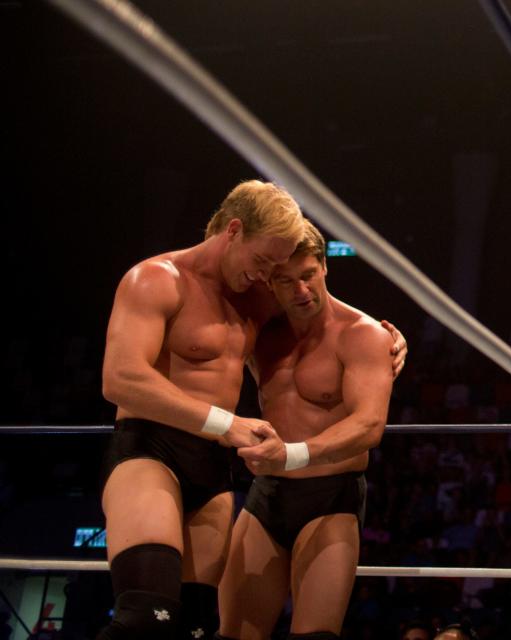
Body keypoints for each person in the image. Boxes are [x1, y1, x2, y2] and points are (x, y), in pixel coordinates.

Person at [99, 181, 407, 640]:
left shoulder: (258, 300)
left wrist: (393, 343)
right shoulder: (157, 279)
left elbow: (335, 329)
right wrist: (229, 424)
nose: (270, 278)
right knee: (146, 620)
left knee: (198, 628)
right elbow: (120, 378)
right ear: (234, 231)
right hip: (152, 449)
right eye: (267, 265)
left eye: (279, 270)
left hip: (217, 472)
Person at [216, 222, 395, 640]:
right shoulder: (257, 331)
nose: (301, 290)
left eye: (308, 275)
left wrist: (291, 453)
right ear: (269, 282)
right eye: (285, 281)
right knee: (232, 634)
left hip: (331, 497)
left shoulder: (362, 335)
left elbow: (369, 425)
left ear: (325, 268)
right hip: (267, 494)